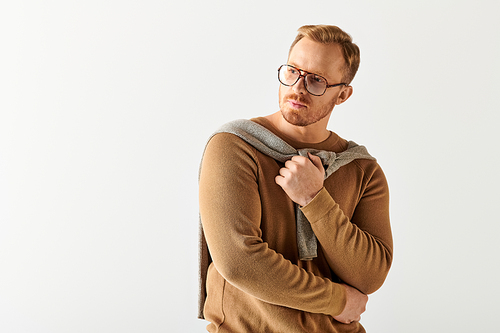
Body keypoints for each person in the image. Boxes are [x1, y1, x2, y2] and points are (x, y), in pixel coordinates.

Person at [198, 24, 393, 333]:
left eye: (316, 80)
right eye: (293, 71)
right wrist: (337, 300)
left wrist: (315, 200)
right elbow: (240, 261)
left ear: (343, 94)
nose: (299, 88)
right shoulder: (234, 146)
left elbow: (370, 276)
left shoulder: (362, 170)